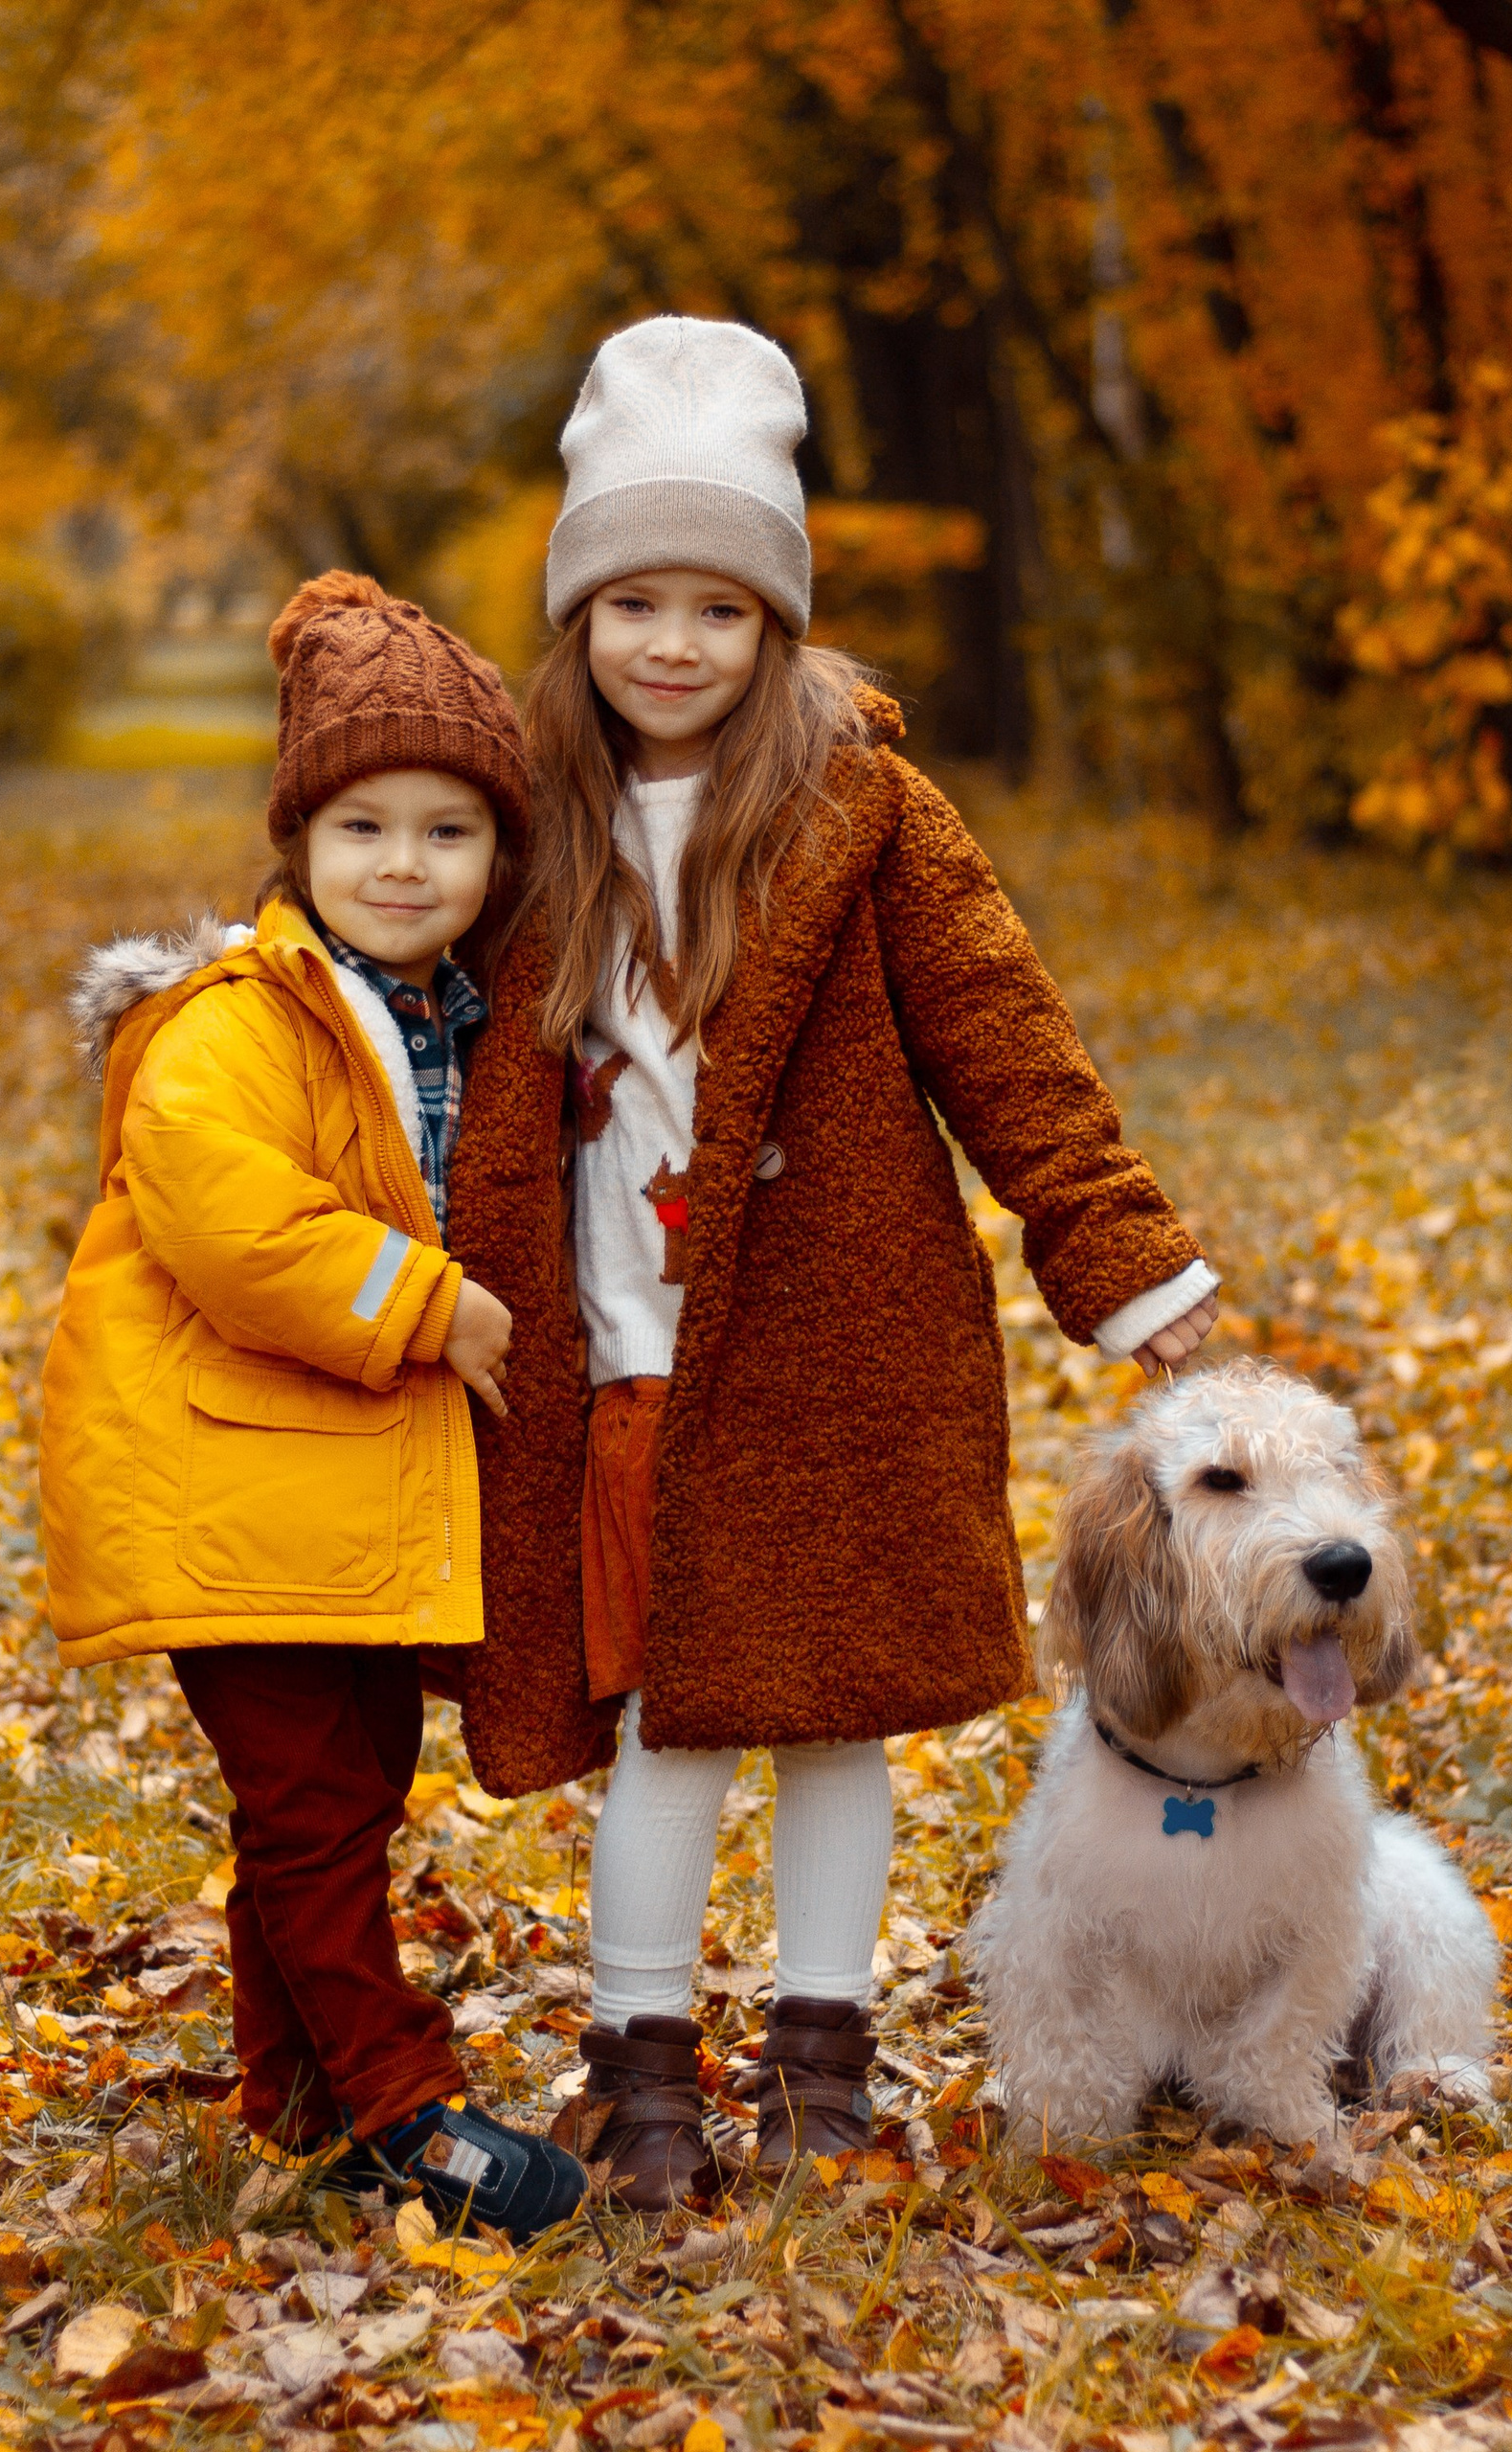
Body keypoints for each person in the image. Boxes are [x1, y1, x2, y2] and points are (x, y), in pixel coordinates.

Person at [444, 318, 1222, 2208]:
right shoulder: (529, 825)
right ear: (580, 613)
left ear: (774, 620)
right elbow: (404, 1014)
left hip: (830, 1348)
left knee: (827, 1717)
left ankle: (818, 2061)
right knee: (658, 1726)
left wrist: (1114, 1251)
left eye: (719, 603)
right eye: (633, 598)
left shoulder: (867, 814)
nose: (674, 643)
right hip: (615, 1358)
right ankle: (639, 2067)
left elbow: (1001, 1036)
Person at [38, 572, 585, 2239]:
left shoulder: (460, 1014)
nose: (403, 866)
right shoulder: (237, 1025)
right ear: (296, 847)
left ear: (501, 857)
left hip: (341, 1497)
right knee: (315, 1811)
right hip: (237, 1492)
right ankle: (407, 2102)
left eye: (447, 831)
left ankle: (291, 2103)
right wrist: (423, 1302)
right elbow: (223, 1216)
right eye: (361, 828)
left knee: (337, 1795)